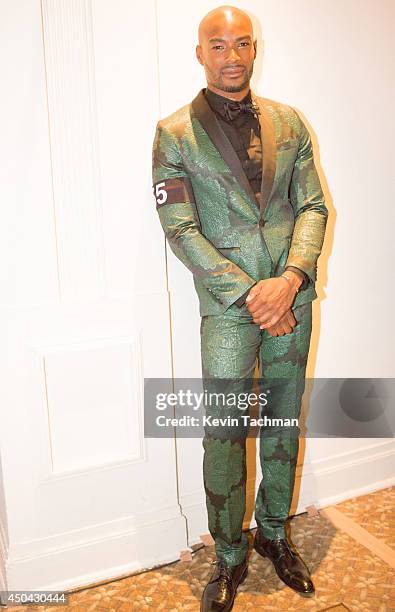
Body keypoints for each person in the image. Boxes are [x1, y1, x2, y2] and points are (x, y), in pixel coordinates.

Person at [152, 5, 328, 610]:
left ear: (256, 49)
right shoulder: (173, 133)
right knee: (225, 432)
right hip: (231, 311)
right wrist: (252, 293)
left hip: (292, 298)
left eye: (243, 44)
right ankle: (229, 554)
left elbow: (312, 207)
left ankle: (275, 534)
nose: (233, 56)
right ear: (200, 53)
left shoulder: (290, 123)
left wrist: (292, 277)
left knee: (282, 421)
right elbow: (179, 227)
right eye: (219, 46)